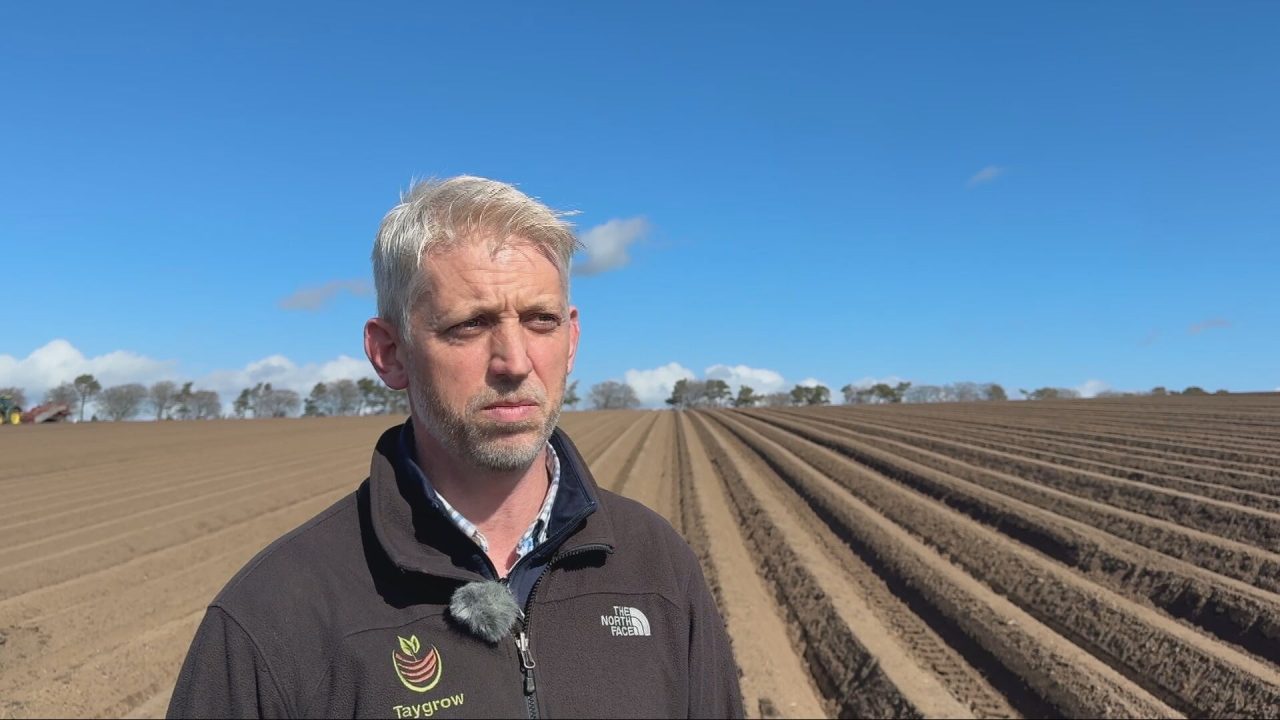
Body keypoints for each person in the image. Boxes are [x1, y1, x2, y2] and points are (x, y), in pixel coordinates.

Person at [167, 176, 743, 718]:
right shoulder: (273, 616)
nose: (515, 362)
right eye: (469, 324)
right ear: (390, 353)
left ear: (571, 340)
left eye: (540, 321)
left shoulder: (657, 567)